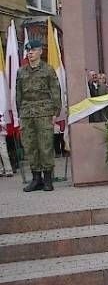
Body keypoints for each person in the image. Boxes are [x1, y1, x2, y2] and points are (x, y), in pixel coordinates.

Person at [17, 40, 61, 192]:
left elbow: (55, 91)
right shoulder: (21, 72)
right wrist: (19, 113)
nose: (30, 53)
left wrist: (56, 112)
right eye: (28, 51)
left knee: (45, 145)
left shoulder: (48, 70)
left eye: (33, 50)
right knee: (30, 146)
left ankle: (48, 179)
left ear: (40, 52)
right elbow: (18, 94)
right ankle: (36, 179)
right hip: (27, 113)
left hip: (44, 112)